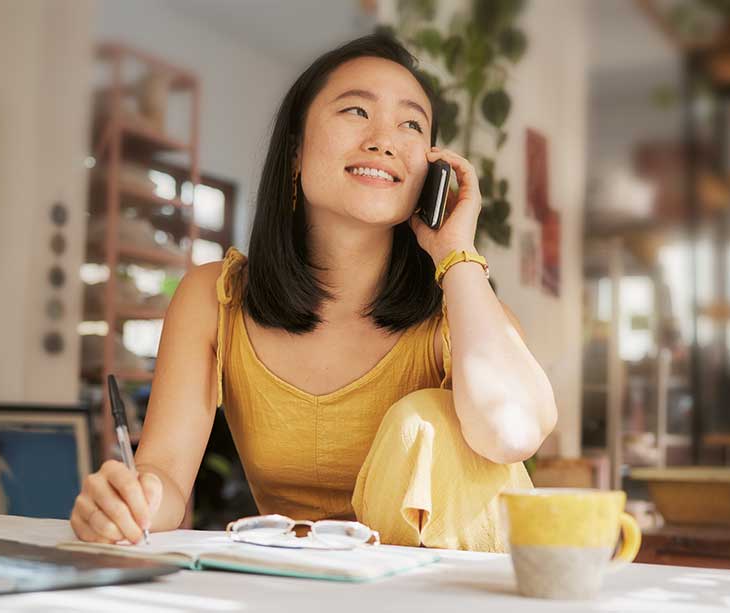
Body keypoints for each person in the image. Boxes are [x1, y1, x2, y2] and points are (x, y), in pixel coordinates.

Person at [70, 34, 555, 552]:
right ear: (296, 150)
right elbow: (164, 473)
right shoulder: (214, 299)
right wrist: (130, 502)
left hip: (445, 596)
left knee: (426, 420)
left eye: (411, 124)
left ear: (429, 174)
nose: (384, 139)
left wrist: (455, 251)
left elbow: (513, 434)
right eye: (356, 111)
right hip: (300, 589)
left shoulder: (463, 316)